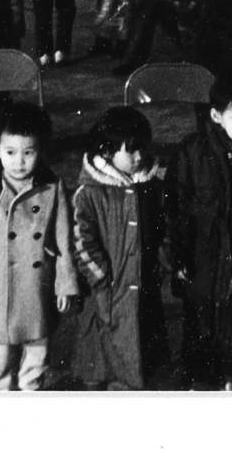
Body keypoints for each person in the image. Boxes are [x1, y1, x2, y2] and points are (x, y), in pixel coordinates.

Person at [0, 102, 80, 391]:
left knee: (36, 360)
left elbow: (64, 240)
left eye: (29, 152)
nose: (19, 161)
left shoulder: (53, 187)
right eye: (11, 152)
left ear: (41, 151)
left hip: (38, 286)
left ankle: (29, 402)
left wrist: (65, 284)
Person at [168, 72, 232, 389]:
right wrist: (178, 258)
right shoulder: (191, 153)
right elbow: (176, 209)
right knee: (198, 327)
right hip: (201, 260)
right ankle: (196, 383)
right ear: (216, 116)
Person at [72, 106, 170, 390]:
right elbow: (82, 241)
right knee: (103, 352)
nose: (140, 157)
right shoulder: (89, 193)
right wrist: (102, 279)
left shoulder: (151, 186)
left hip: (143, 287)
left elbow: (162, 229)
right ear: (106, 152)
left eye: (143, 149)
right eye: (132, 151)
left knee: (140, 351)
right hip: (106, 291)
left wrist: (161, 263)